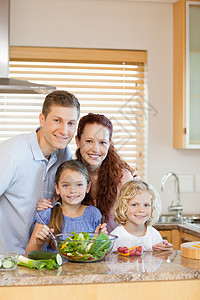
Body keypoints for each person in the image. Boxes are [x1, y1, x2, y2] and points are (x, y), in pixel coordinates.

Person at [0, 90, 80, 254]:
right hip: (6, 258)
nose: (64, 131)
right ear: (42, 119)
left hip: (38, 256)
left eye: (71, 123)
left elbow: (80, 181)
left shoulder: (63, 154)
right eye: (57, 120)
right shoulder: (11, 155)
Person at [75, 113, 139, 233]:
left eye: (102, 142)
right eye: (89, 141)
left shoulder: (123, 178)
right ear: (78, 141)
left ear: (109, 144)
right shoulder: (69, 176)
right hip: (81, 250)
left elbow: (138, 221)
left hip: (119, 250)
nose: (95, 149)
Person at [26, 160, 107, 254]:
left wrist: (100, 240)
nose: (72, 190)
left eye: (79, 184)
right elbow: (29, 253)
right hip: (55, 268)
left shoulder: (94, 213)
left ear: (88, 187)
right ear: (57, 188)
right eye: (65, 185)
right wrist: (38, 243)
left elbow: (99, 253)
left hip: (86, 268)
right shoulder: (47, 214)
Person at [110, 180, 173, 252]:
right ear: (123, 207)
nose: (141, 210)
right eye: (135, 205)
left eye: (146, 205)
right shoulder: (115, 237)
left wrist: (163, 250)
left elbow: (157, 261)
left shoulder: (154, 235)